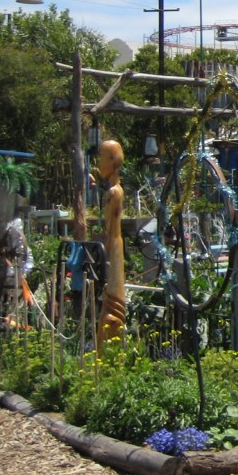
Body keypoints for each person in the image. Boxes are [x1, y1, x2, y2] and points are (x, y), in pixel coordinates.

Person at [95, 139, 127, 346]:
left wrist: (106, 243)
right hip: (115, 244)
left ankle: (109, 350)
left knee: (112, 308)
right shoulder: (117, 190)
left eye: (102, 157)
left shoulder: (114, 192)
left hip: (114, 245)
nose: (99, 163)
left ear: (112, 160)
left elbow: (111, 229)